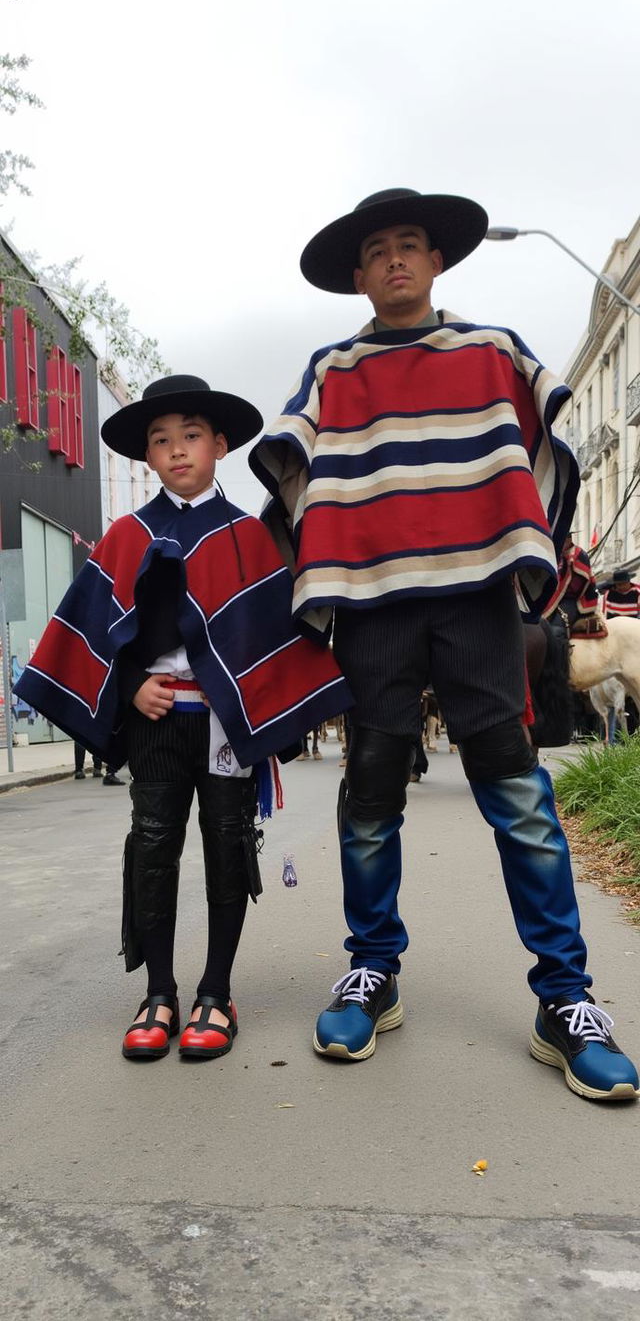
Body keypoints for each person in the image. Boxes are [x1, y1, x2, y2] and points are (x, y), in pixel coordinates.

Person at [250, 187, 639, 1101]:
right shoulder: (333, 369)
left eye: (411, 244)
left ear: (437, 261)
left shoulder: (492, 350)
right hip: (376, 605)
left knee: (515, 788)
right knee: (371, 789)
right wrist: (334, 553)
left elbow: (545, 447)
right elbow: (292, 466)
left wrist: (519, 550)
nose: (394, 259)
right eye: (378, 249)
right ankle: (372, 970)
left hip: (473, 601)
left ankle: (565, 998)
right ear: (358, 274)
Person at [16, 375, 350, 1062]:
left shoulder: (248, 540)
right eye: (161, 440)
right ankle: (160, 992)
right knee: (153, 845)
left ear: (220, 444)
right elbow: (100, 631)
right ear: (146, 456)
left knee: (228, 847)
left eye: (191, 435)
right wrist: (132, 682)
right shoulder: (126, 536)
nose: (176, 450)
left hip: (225, 727)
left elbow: (269, 638)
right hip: (156, 719)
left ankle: (216, 992)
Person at [542, 533, 599, 631]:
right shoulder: (558, 555)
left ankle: (560, 645)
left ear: (568, 540)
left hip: (575, 600)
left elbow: (578, 587)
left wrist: (558, 594)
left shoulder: (579, 554)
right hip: (557, 598)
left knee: (556, 627)